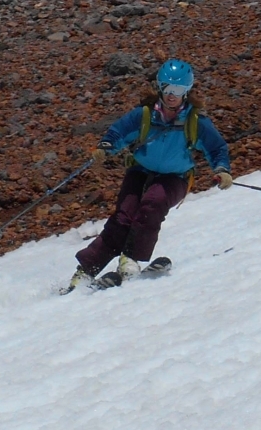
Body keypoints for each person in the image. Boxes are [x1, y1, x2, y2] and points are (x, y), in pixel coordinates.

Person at [63, 58, 232, 293]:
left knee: (152, 204)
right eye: (168, 89)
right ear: (160, 88)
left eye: (179, 90)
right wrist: (106, 146)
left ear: (187, 91)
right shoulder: (145, 115)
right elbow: (119, 132)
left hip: (175, 177)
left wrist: (222, 170)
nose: (173, 95)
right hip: (140, 171)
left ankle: (130, 260)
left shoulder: (195, 122)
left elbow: (217, 148)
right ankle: (84, 273)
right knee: (122, 218)